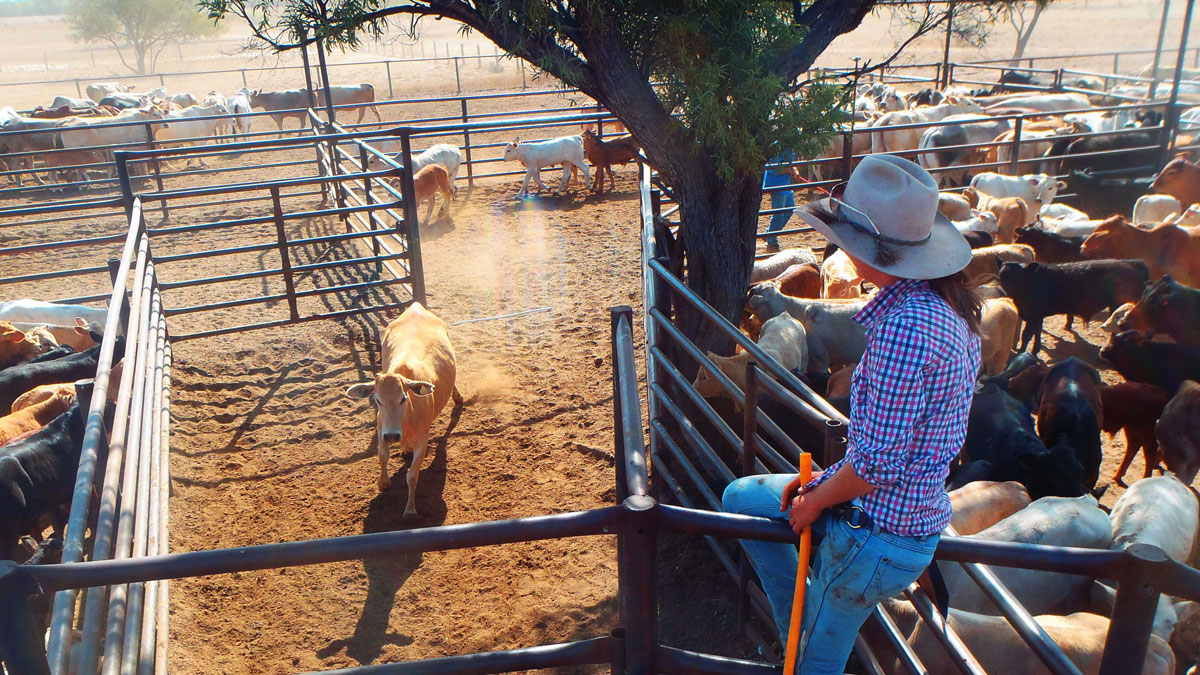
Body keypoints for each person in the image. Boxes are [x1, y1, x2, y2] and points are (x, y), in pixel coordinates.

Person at [722, 154, 982, 674]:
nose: (841, 246)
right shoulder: (945, 309)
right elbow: (887, 452)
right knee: (742, 498)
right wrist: (821, 484)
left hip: (876, 533)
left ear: (874, 250)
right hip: (906, 517)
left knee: (815, 668)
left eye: (848, 238)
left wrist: (815, 501)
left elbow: (878, 465)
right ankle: (802, 625)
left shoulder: (904, 329)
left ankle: (805, 637)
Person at [762, 150, 797, 252]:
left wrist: (794, 170)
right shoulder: (779, 149)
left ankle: (769, 233)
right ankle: (772, 242)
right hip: (777, 185)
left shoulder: (790, 149)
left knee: (790, 210)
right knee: (778, 215)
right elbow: (773, 169)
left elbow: (790, 165)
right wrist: (789, 170)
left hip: (785, 185)